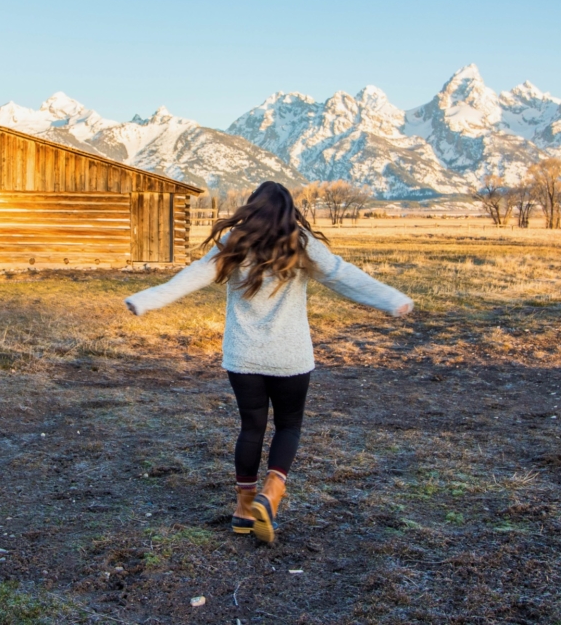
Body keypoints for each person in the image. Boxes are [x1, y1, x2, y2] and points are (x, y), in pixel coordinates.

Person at [124, 181, 413, 543]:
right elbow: (344, 274)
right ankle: (272, 491)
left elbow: (192, 276)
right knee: (288, 426)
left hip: (243, 357)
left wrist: (146, 299)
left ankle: (244, 508)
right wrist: (392, 299)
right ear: (290, 211)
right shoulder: (302, 244)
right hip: (290, 357)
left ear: (252, 209)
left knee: (251, 428)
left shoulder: (234, 244)